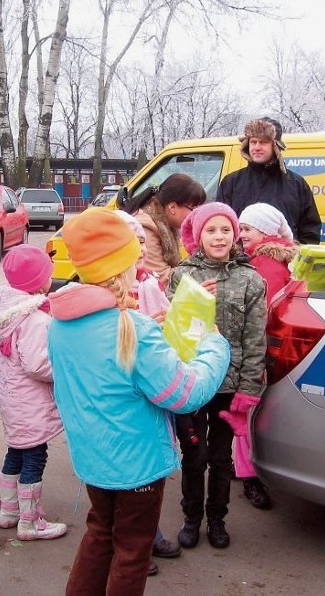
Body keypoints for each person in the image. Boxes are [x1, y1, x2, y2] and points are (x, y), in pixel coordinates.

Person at [47, 208, 230, 595]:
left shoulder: (62, 320)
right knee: (132, 551)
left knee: (100, 532)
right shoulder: (134, 329)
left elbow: (109, 367)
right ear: (124, 266)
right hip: (137, 465)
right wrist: (214, 345)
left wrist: (155, 329)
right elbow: (185, 394)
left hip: (93, 458)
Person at [168, 202, 267, 550]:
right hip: (194, 382)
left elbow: (256, 339)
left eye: (225, 229)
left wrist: (249, 388)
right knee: (194, 456)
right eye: (211, 230)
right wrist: (193, 304)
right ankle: (191, 517)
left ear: (235, 234)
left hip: (229, 385)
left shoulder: (250, 279)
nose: (219, 236)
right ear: (198, 235)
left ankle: (218, 519)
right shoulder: (183, 275)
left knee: (221, 458)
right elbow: (173, 331)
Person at [0, 244, 67, 541]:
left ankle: (9, 512)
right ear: (38, 281)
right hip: (31, 404)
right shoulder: (35, 319)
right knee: (35, 456)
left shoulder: (5, 312)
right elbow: (38, 365)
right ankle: (29, 523)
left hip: (12, 401)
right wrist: (65, 369)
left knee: (16, 453)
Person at [114, 210, 181, 570]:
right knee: (130, 479)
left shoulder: (150, 283)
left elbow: (168, 325)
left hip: (153, 394)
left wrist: (170, 325)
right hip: (127, 403)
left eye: (142, 241)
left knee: (149, 476)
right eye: (132, 242)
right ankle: (132, 548)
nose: (140, 249)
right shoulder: (103, 295)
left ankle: (146, 536)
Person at [231, 202, 298, 510]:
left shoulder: (265, 266)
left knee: (244, 412)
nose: (240, 234)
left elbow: (258, 316)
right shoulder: (276, 258)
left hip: (259, 352)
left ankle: (248, 475)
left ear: (266, 232)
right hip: (270, 350)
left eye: (247, 229)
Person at [217, 117, 321, 244]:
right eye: (253, 142)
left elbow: (310, 230)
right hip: (240, 262)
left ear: (276, 145)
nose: (257, 147)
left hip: (285, 261)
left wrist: (297, 258)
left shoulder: (296, 184)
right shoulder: (231, 182)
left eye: (263, 142)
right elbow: (221, 225)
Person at [122, 172, 206, 285]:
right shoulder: (144, 229)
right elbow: (161, 277)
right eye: (193, 209)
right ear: (172, 207)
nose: (196, 214)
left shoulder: (167, 224)